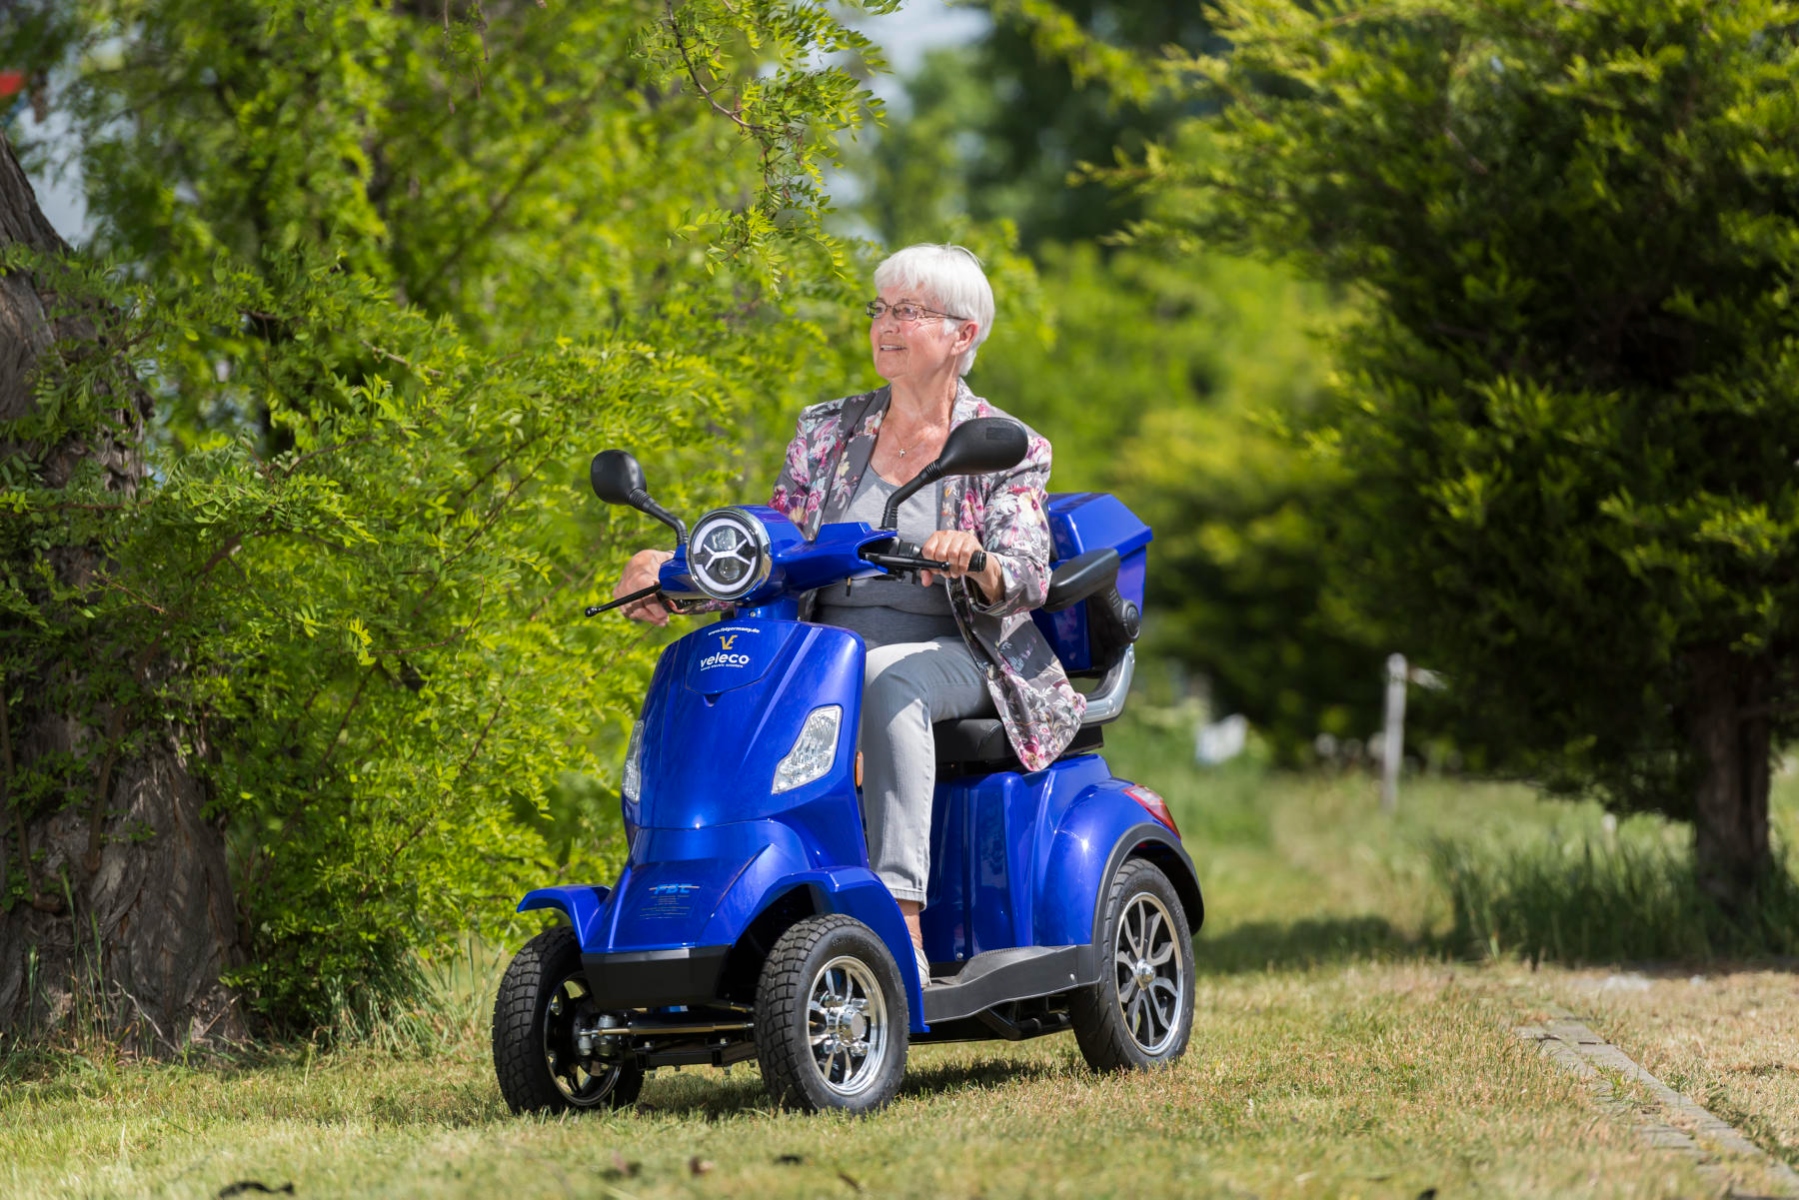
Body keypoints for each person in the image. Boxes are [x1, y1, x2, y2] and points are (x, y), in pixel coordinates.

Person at [612, 243, 1086, 984]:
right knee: (723, 686)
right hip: (820, 651)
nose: (885, 325)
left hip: (957, 647)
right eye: (880, 309)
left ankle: (900, 921)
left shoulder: (1006, 445)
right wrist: (671, 581)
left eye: (908, 311)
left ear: (962, 334)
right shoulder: (826, 431)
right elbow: (775, 552)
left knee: (888, 682)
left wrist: (976, 557)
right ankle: (704, 902)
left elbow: (1025, 577)